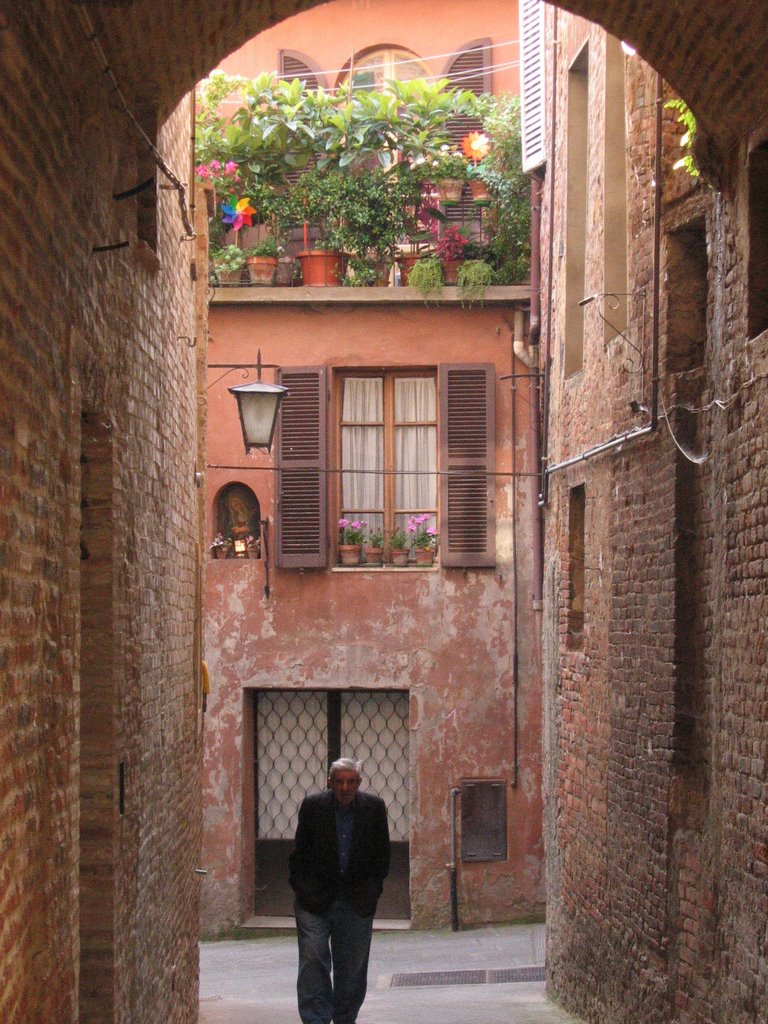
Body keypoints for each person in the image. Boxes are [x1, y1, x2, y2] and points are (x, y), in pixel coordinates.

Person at [289, 757, 391, 1024]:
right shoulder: (313, 807)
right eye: (340, 781)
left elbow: (382, 855)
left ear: (359, 783)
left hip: (356, 901)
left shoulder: (374, 808)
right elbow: (300, 853)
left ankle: (345, 1018)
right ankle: (315, 1019)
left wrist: (371, 892)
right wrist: (302, 889)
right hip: (314, 900)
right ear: (330, 782)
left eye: (351, 781)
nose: (345, 787)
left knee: (352, 968)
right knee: (313, 959)